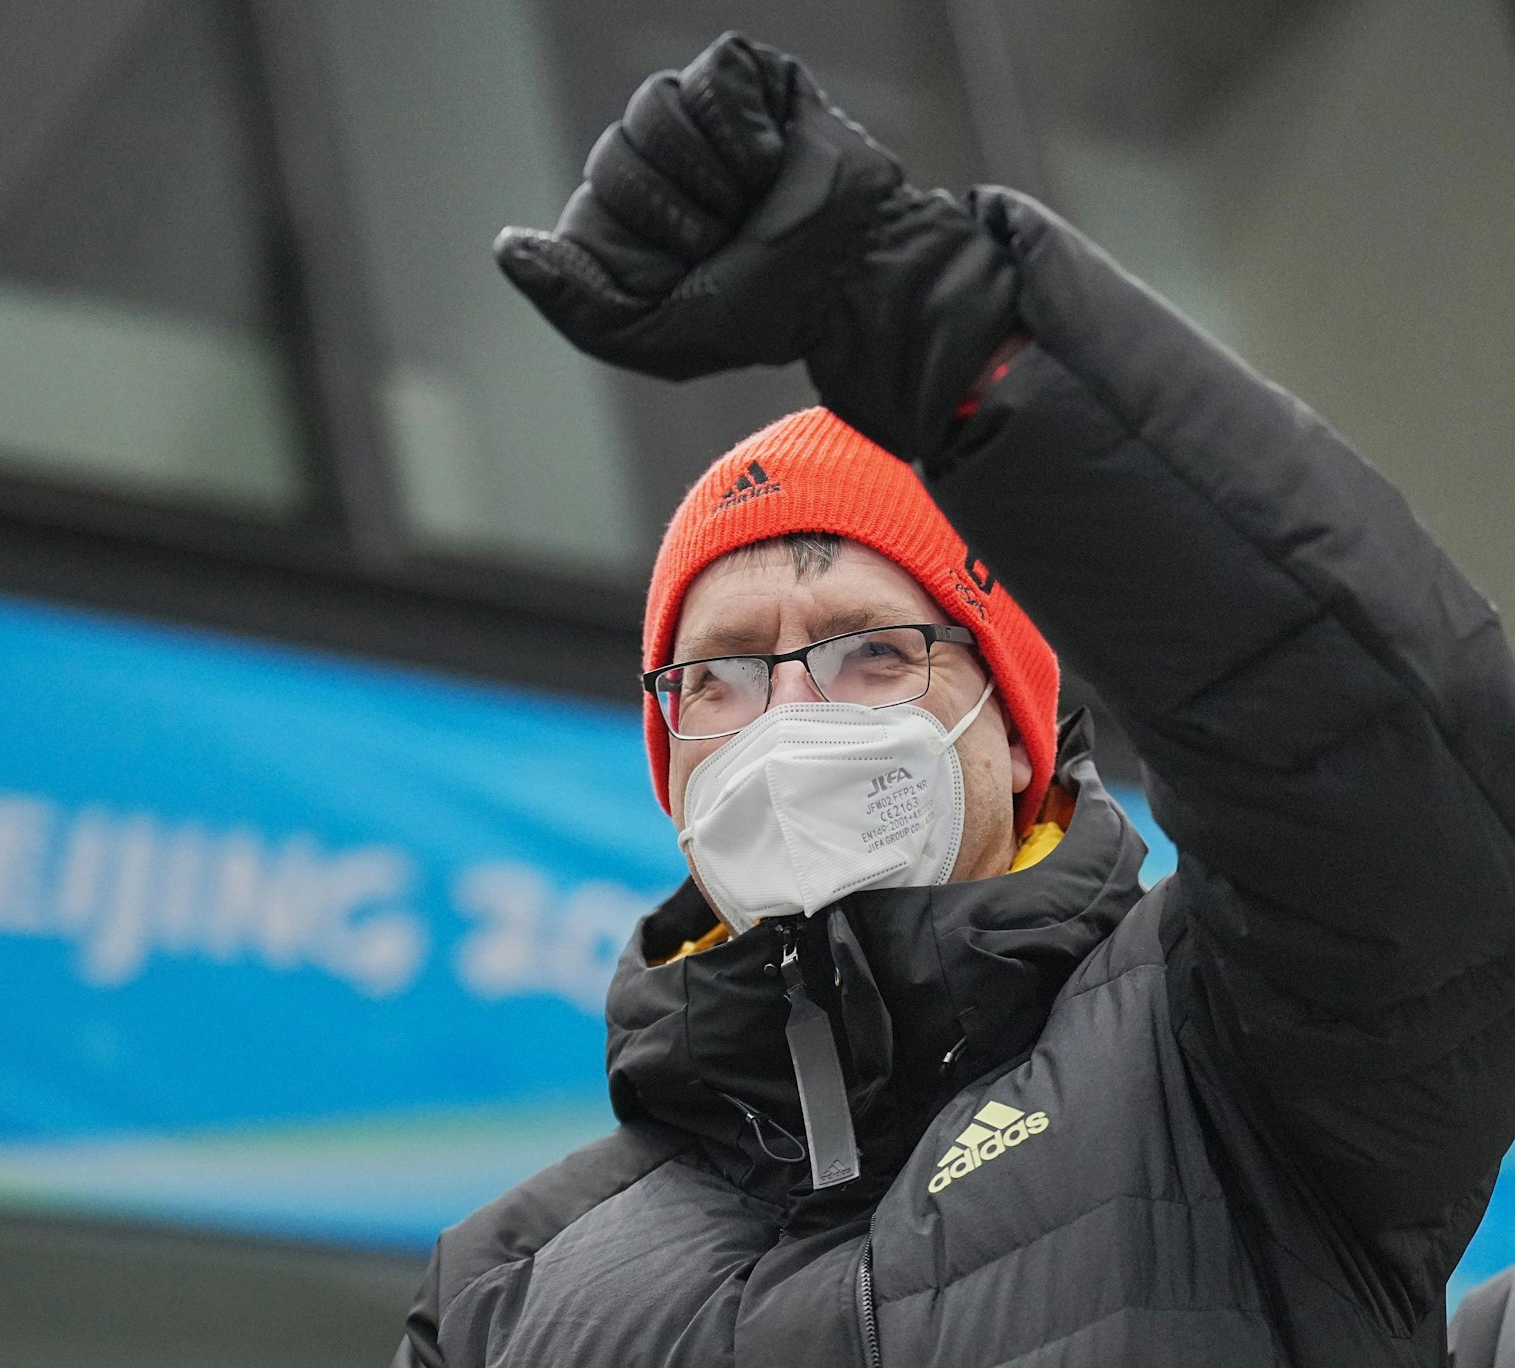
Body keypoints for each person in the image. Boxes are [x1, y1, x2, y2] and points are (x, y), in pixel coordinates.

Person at [393, 33, 1515, 1368]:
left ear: (1017, 727)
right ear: (666, 752)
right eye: (724, 671)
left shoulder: (1234, 1047)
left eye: (872, 649)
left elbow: (1377, 760)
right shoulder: (509, 1294)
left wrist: (917, 302)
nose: (793, 713)